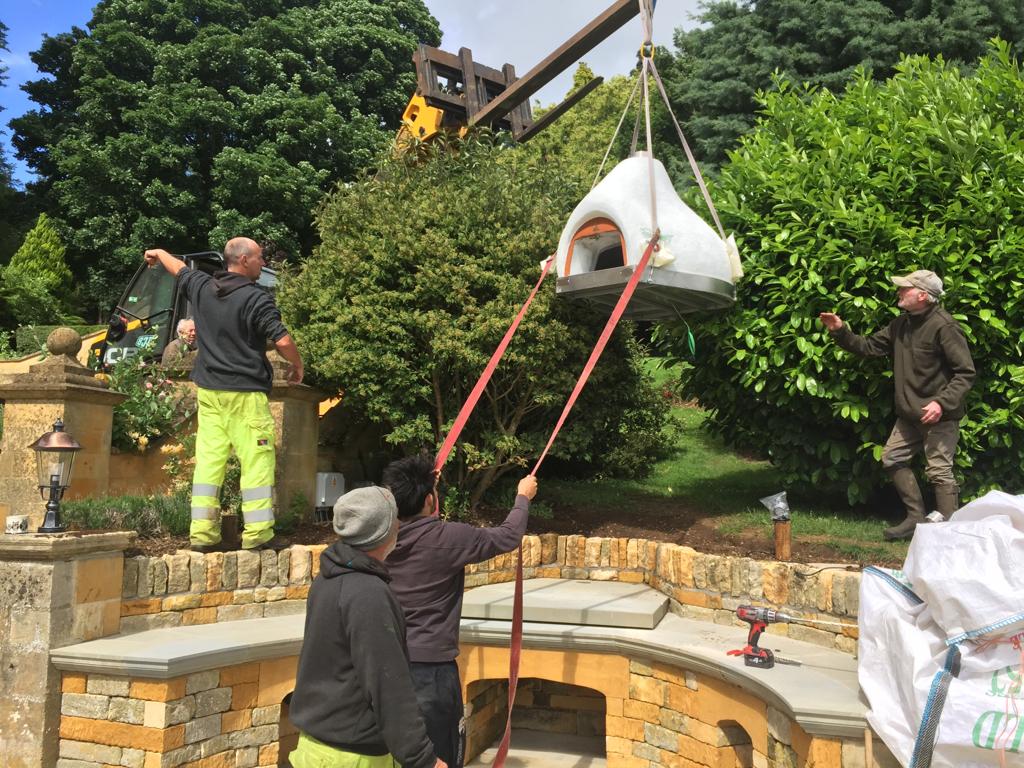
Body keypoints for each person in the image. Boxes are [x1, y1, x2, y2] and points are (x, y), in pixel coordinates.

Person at [143, 238, 304, 551]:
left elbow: (179, 270)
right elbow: (282, 341)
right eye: (259, 258)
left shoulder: (203, 287)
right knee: (256, 462)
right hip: (246, 395)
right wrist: (297, 365)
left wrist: (160, 252)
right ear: (243, 260)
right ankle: (258, 535)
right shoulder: (256, 299)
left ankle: (202, 536)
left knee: (208, 462)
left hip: (210, 392)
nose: (263, 263)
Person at [382, 455, 538, 768]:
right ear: (430, 499)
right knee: (441, 752)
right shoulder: (448, 538)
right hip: (432, 673)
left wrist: (425, 491)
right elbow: (508, 536)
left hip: (386, 664)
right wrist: (523, 497)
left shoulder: (379, 539)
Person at [288, 486, 447, 768]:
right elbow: (388, 684)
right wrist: (424, 759)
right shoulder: (368, 594)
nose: (399, 524)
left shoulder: (329, 578)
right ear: (384, 531)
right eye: (394, 518)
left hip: (318, 749)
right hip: (352, 758)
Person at [819, 269, 975, 540]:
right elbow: (868, 347)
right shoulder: (900, 324)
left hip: (939, 416)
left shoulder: (945, 326)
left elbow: (965, 373)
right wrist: (840, 331)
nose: (899, 292)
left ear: (923, 295)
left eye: (905, 288)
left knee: (939, 471)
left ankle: (949, 534)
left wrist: (941, 403)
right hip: (909, 414)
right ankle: (915, 519)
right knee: (892, 457)